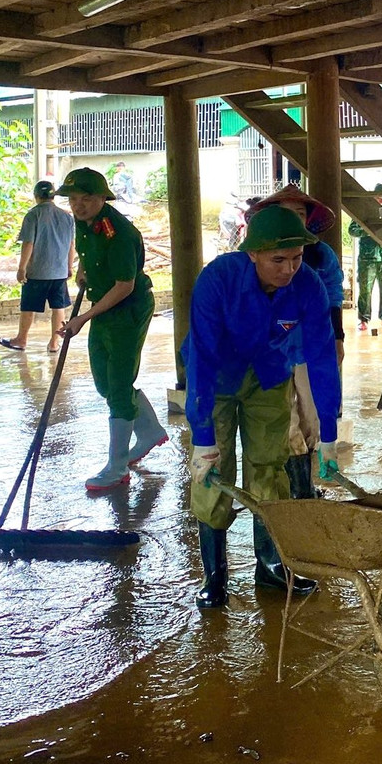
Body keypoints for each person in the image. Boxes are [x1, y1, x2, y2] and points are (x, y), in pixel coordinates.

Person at [183, 206, 342, 609]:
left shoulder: (308, 285)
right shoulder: (218, 280)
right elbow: (200, 356)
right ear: (252, 253)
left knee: (270, 466)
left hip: (269, 375)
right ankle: (215, 576)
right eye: (278, 260)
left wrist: (328, 433)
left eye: (297, 258)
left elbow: (322, 357)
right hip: (216, 378)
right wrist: (202, 437)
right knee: (214, 473)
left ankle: (271, 566)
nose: (289, 269)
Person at [53, 168, 162, 491]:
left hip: (127, 309)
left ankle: (116, 468)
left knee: (118, 385)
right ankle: (150, 431)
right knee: (104, 381)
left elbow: (125, 286)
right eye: (73, 199)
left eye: (87, 198)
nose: (79, 205)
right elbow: (86, 248)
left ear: (103, 198)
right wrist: (83, 270)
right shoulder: (83, 222)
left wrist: (82, 318)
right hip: (104, 306)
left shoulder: (120, 233)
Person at [247, 184, 344, 498]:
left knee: (310, 416)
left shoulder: (320, 256)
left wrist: (338, 337)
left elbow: (333, 296)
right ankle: (292, 495)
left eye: (299, 214)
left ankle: (305, 485)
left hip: (308, 348)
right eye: (284, 214)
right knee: (282, 421)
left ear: (309, 219)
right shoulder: (251, 262)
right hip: (269, 353)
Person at [0, 180, 75, 353]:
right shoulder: (67, 217)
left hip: (37, 272)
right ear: (53, 196)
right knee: (58, 308)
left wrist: (21, 268)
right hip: (59, 272)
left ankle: (21, 340)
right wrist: (69, 267)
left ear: (36, 196)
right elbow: (72, 244)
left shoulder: (33, 215)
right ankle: (54, 343)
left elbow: (28, 243)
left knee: (28, 306)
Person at [349, 183, 382, 331]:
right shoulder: (363, 211)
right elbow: (352, 230)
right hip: (368, 257)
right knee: (365, 289)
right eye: (380, 197)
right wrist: (369, 230)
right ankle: (364, 319)